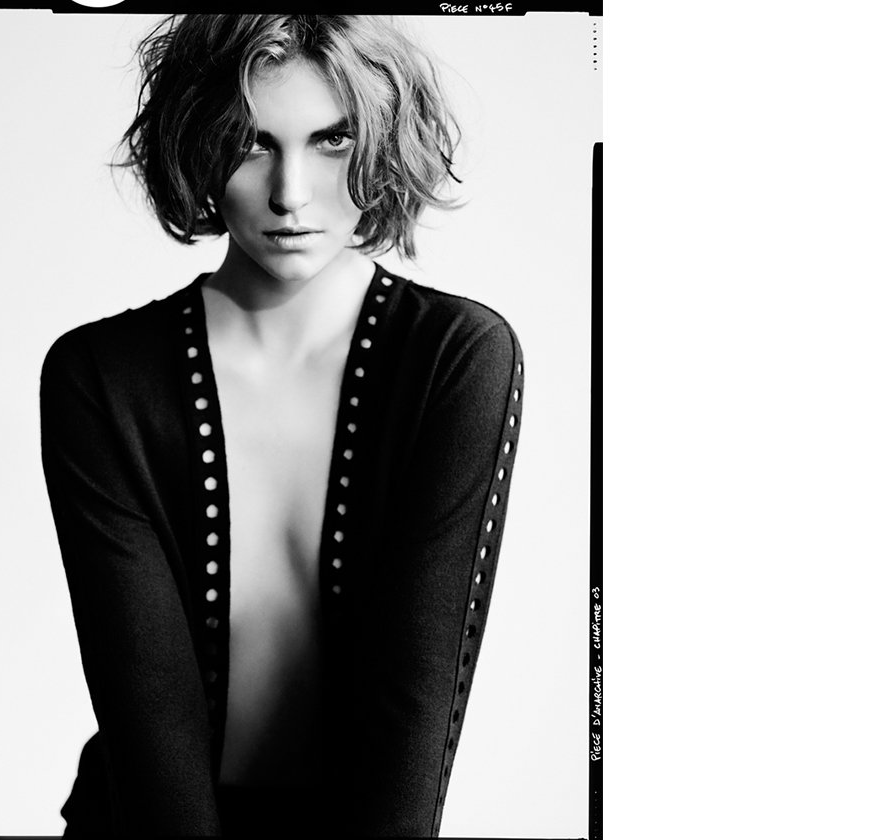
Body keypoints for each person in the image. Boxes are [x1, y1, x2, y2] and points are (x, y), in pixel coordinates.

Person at [40, 14, 524, 837]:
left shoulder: (455, 358)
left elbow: (415, 702)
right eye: (251, 143)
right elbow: (144, 701)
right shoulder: (99, 377)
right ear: (199, 147)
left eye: (332, 141)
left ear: (381, 142)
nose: (290, 193)